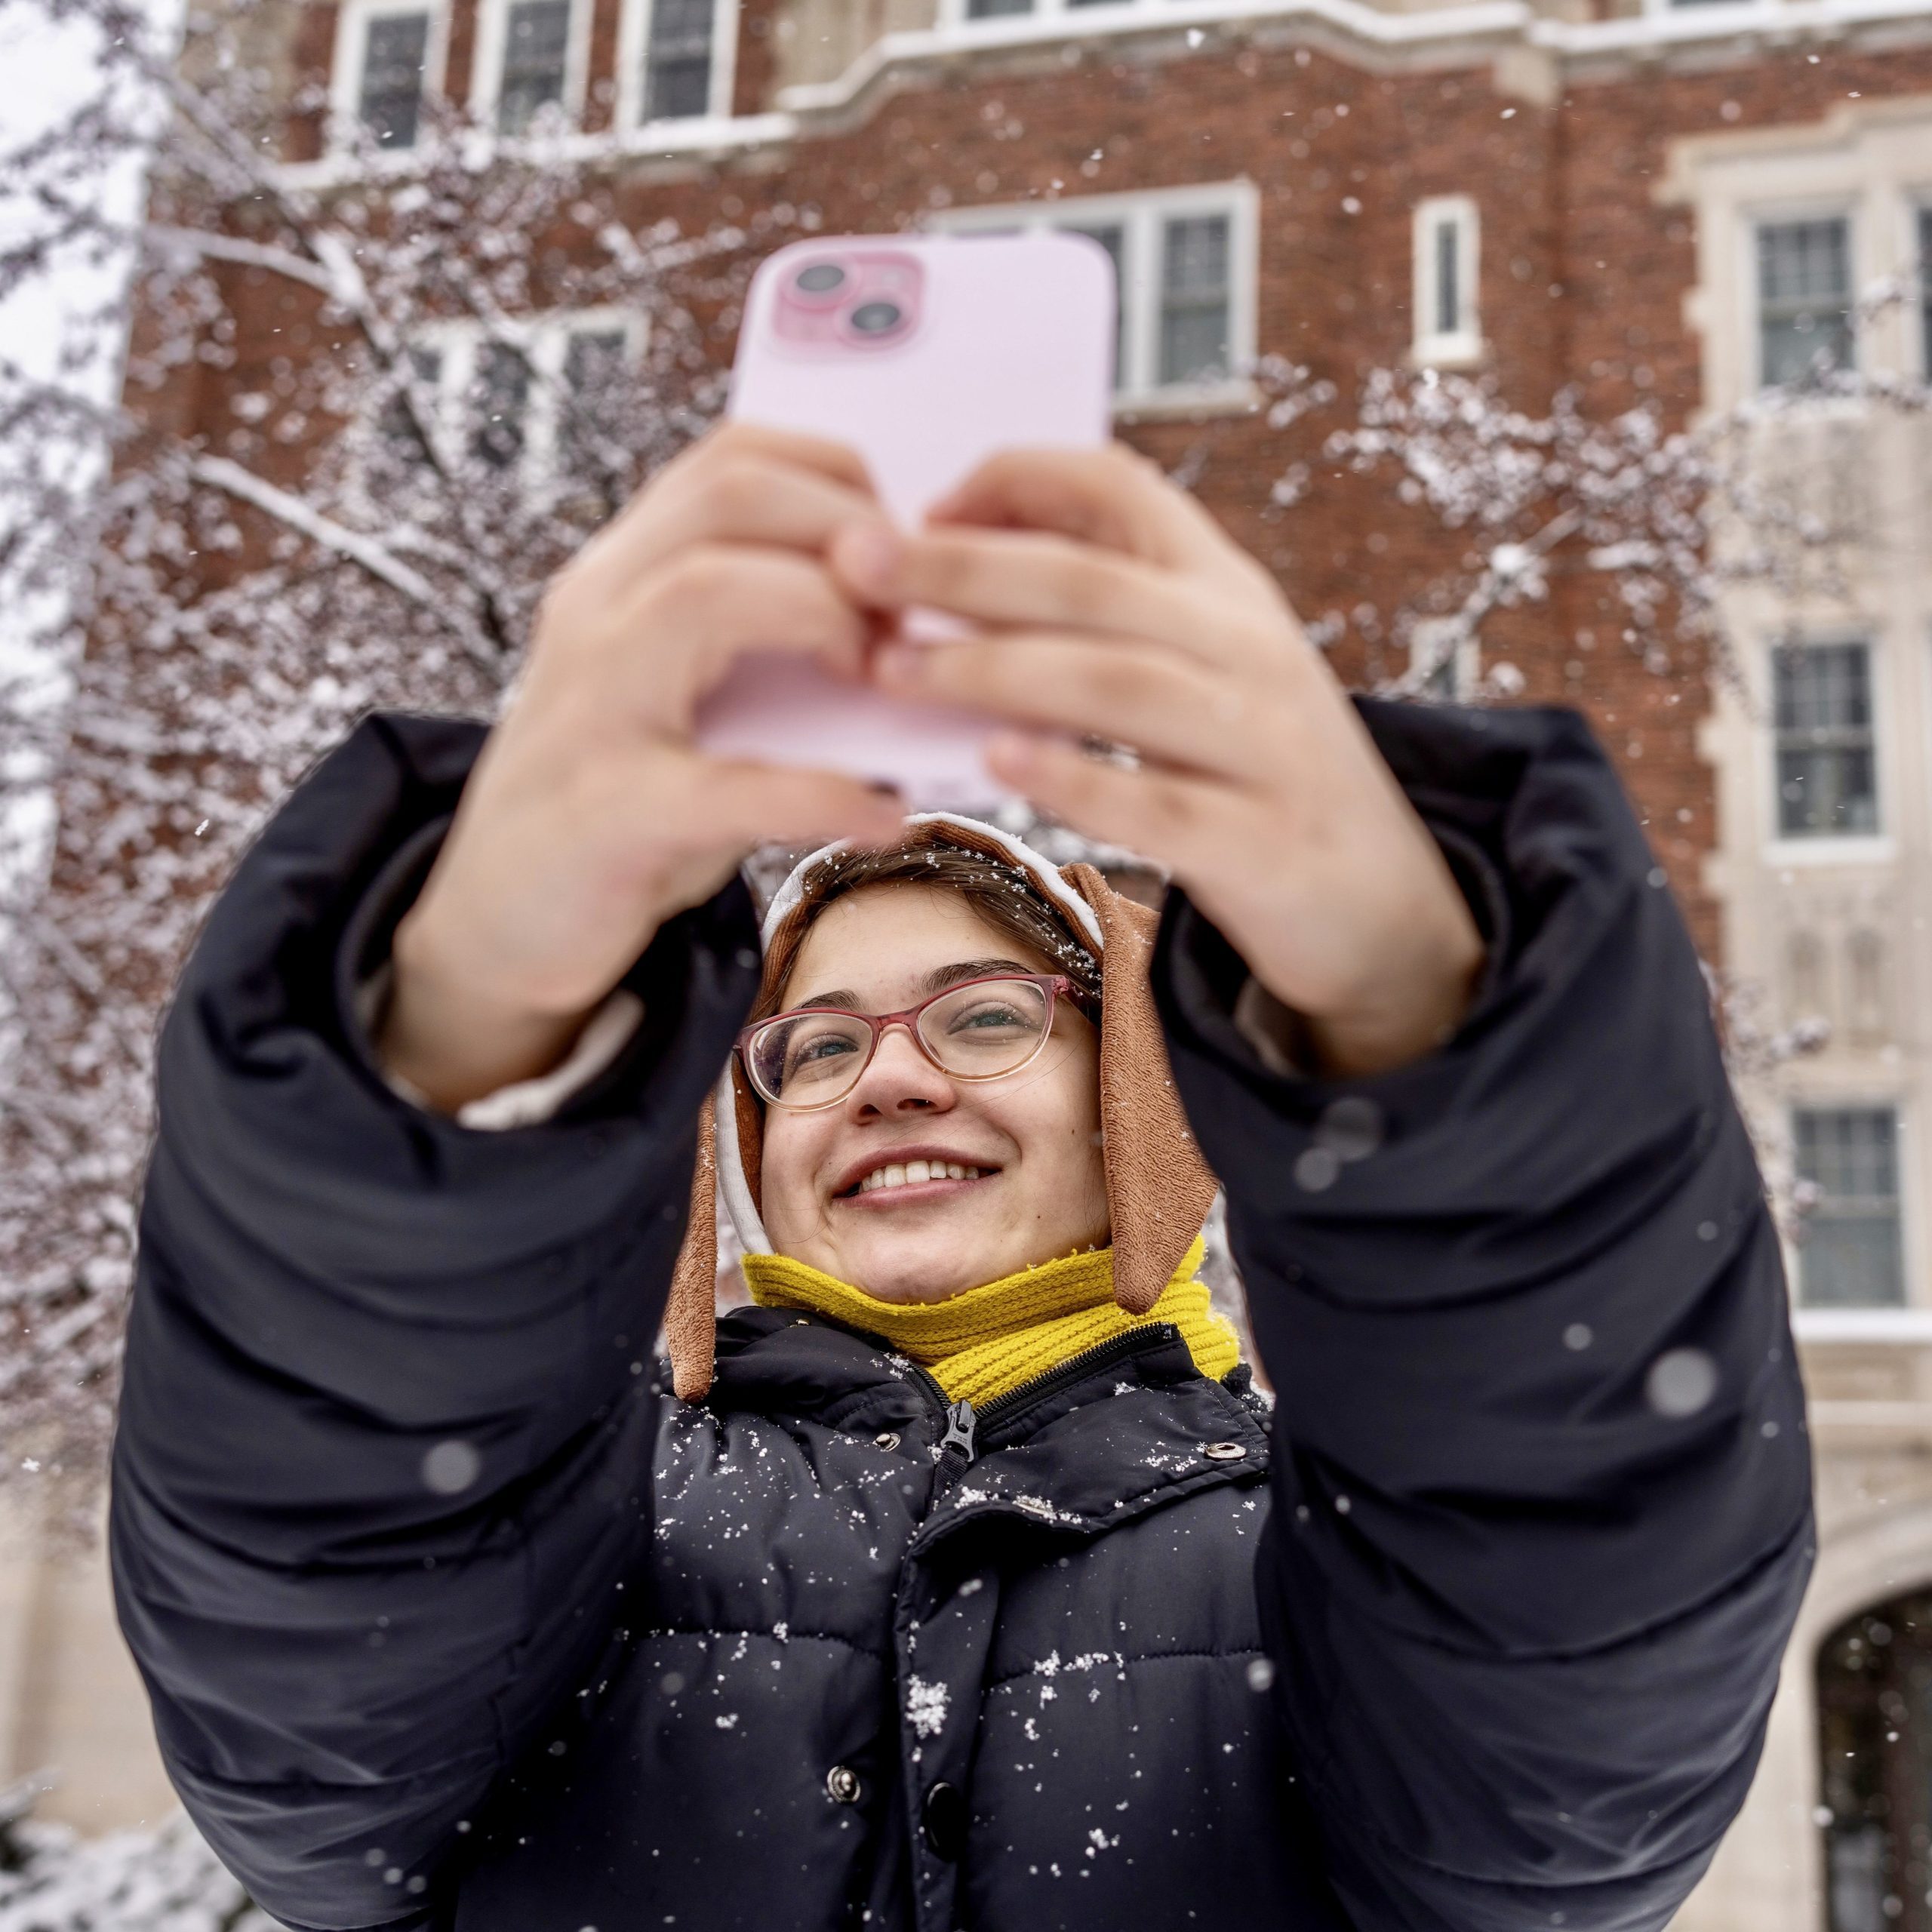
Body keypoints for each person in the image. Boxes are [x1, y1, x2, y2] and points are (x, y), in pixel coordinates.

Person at [109, 421, 1814, 1932]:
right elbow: (314, 1689)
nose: (890, 1075)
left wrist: (1407, 1003)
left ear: (1137, 1105)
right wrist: (464, 1018)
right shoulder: (586, 1518)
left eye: (986, 1015)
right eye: (814, 1048)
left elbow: (1566, 1717)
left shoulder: (1319, 1556)